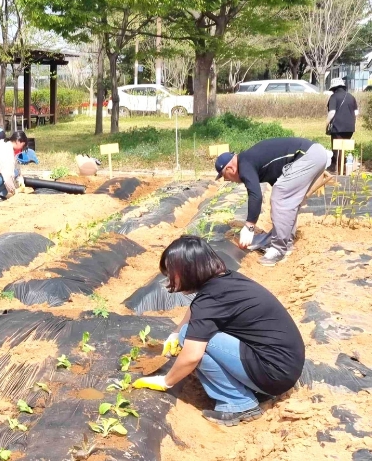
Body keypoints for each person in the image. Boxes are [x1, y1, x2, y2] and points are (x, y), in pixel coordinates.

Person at [133, 236, 305, 427]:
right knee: (186, 333)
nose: (169, 279)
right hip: (285, 366)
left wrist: (166, 381)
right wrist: (175, 332)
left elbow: (192, 356)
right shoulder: (226, 281)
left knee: (190, 338)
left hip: (273, 374)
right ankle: (247, 388)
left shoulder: (211, 300)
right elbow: (198, 308)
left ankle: (238, 403)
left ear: (187, 270)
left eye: (171, 273)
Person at [214, 137, 326, 266]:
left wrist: (249, 226)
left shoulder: (244, 164)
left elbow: (255, 195)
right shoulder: (250, 160)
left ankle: (279, 249)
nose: (228, 180)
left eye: (225, 176)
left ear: (230, 169)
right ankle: (286, 242)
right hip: (313, 154)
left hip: (307, 156)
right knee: (286, 199)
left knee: (281, 196)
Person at [326, 77, 358, 174]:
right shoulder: (351, 97)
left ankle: (339, 169)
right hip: (350, 128)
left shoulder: (334, 97)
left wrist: (326, 125)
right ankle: (342, 167)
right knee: (344, 148)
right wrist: (353, 123)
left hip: (337, 127)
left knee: (337, 148)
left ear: (333, 88)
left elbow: (332, 112)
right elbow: (356, 113)